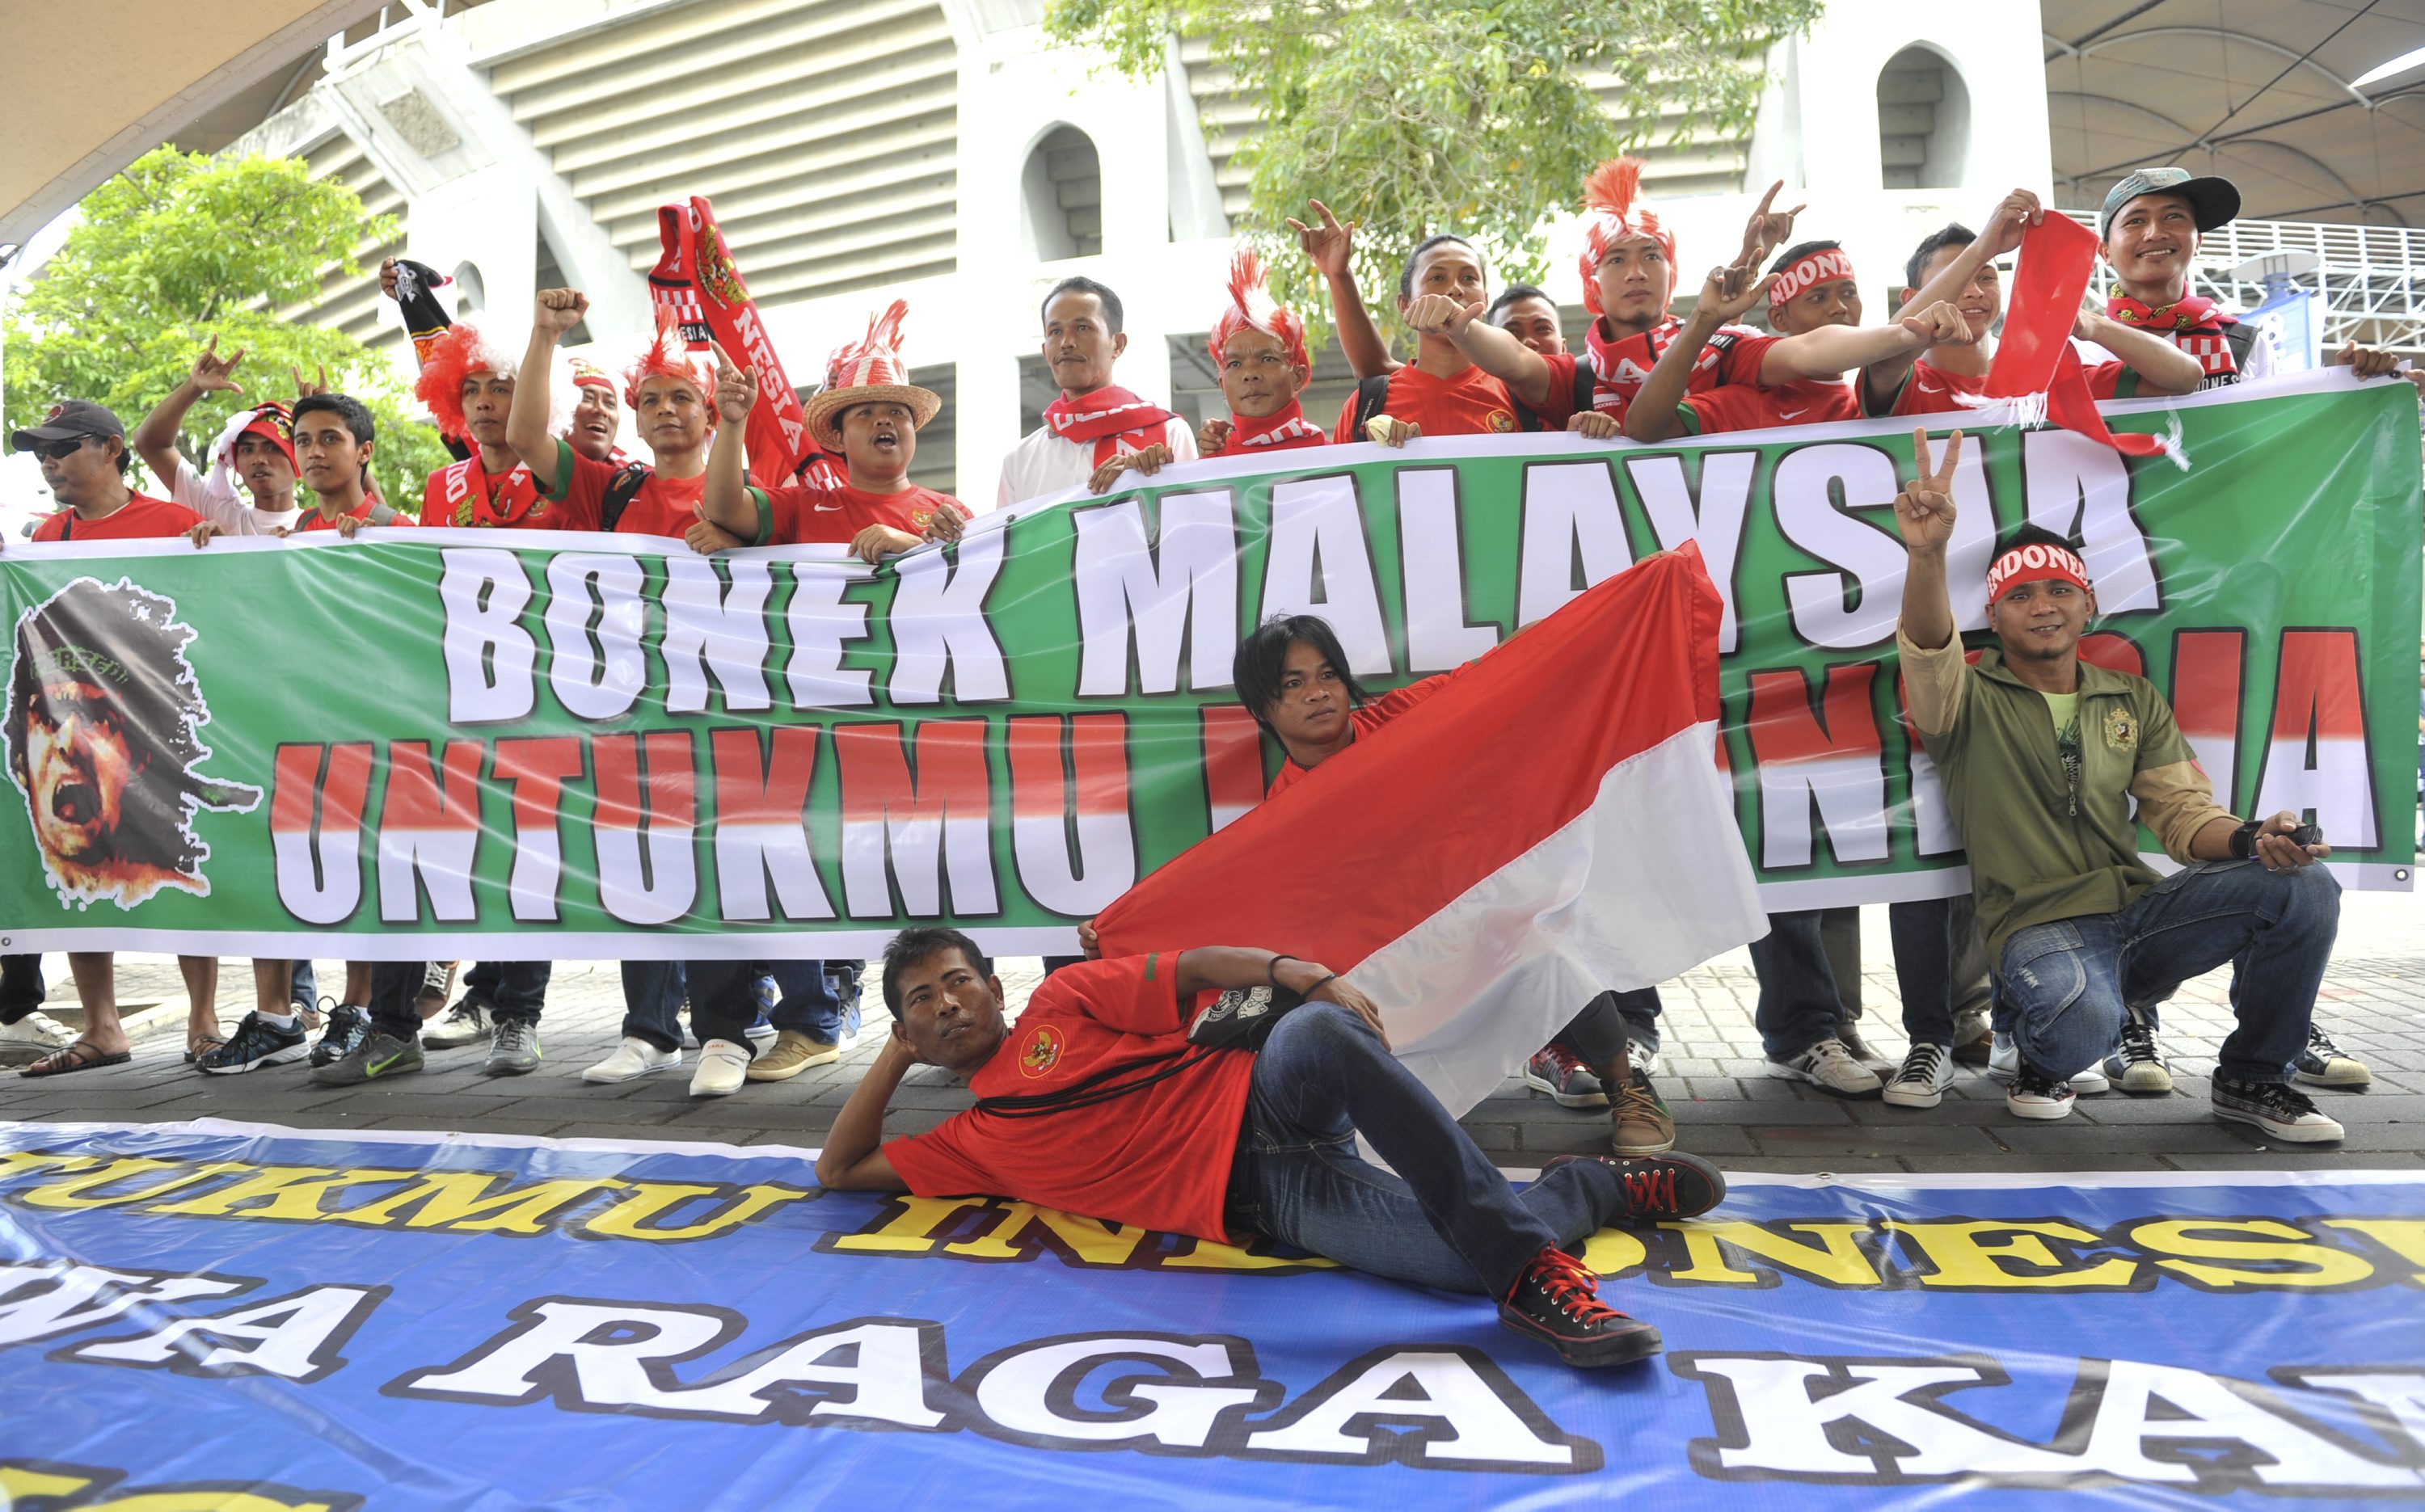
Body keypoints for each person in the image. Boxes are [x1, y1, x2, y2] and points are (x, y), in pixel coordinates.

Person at [817, 928, 1726, 1369]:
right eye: (922, 1002)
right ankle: (1593, 1188)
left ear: (994, 988)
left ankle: (1536, 1283)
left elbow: (1196, 968)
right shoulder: (970, 1141)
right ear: (908, 1030)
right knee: (1456, 1269)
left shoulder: (1062, 1003)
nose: (946, 1004)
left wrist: (1296, 970)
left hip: (1264, 1088)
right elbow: (840, 1170)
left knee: (1324, 1031)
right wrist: (888, 1061)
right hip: (1271, 1199)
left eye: (959, 981)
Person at [1892, 428, 2347, 1139]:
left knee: (2304, 886)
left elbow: (2183, 815)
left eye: (2059, 590)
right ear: (1992, 616)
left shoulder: (2131, 696)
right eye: (2020, 595)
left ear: (2089, 604)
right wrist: (1926, 552)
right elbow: (1925, 645)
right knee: (2084, 1031)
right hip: (2037, 929)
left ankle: (2254, 1079)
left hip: (2138, 916)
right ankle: (2041, 1052)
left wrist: (2256, 837)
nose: (2042, 605)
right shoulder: (1964, 697)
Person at [1229, 614, 1678, 1154]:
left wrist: (1618, 605)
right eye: (1293, 684)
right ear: (1263, 709)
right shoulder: (1281, 819)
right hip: (1403, 976)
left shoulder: (1409, 716)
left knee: (1548, 948)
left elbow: (1507, 668)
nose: (1319, 693)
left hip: (1484, 930)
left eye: (1328, 675)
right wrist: (1114, 938)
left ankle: (1627, 1085)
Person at [4, 403, 229, 1073]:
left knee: (182, 865)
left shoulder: (176, 525)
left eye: (62, 448)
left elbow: (220, 616)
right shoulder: (42, 539)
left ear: (109, 448)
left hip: (150, 735)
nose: (48, 463)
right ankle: (103, 1028)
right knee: (72, 865)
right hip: (69, 730)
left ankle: (205, 1021)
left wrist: (220, 552)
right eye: (39, 453)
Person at [1412, 165, 1802, 437]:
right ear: (1591, 286)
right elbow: (1513, 361)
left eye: (1652, 256)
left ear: (1673, 274)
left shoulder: (1724, 349)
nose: (1636, 272)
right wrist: (1462, 327)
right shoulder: (1575, 377)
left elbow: (1811, 352)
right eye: (1616, 259)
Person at [1861, 192, 2207, 418]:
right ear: (1911, 298)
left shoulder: (2042, 378)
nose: (1975, 292)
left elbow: (2185, 376)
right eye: (1956, 277)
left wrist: (2092, 324)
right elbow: (1886, 352)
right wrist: (1983, 248)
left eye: (1987, 277)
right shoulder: (1900, 382)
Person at [696, 301, 968, 562]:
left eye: (897, 412)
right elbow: (723, 509)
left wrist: (914, 547)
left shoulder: (948, 515)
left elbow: (988, 580)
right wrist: (733, 424)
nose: (884, 420)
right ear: (839, 438)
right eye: (865, 413)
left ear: (913, 429)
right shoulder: (800, 507)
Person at [2098, 166, 2408, 387]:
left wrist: (2347, 387)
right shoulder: (2074, 345)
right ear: (2105, 252)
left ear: (2198, 241)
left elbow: (2278, 437)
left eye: (2174, 216)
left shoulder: (2245, 344)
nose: (2156, 233)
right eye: (2136, 221)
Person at [997, 276, 1197, 508]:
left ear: (1118, 344)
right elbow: (1009, 541)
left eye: (1082, 328)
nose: (1066, 343)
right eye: (1055, 332)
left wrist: (1147, 481)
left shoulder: (1169, 434)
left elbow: (1191, 523)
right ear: (1045, 351)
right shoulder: (1020, 460)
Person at [130, 339, 304, 539]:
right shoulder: (219, 509)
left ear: (298, 459)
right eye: (247, 450)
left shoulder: (320, 527)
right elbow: (150, 444)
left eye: (272, 447)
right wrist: (194, 387)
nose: (258, 459)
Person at [417, 313, 569, 529]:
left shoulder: (564, 477)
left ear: (529, 397)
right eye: (470, 391)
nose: (483, 402)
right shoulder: (439, 487)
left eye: (499, 389)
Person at [1191, 249, 1329, 459]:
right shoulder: (1206, 470)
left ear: (1297, 377)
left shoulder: (1334, 457)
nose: (1250, 374)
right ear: (1222, 386)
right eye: (1235, 364)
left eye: (1267, 359)